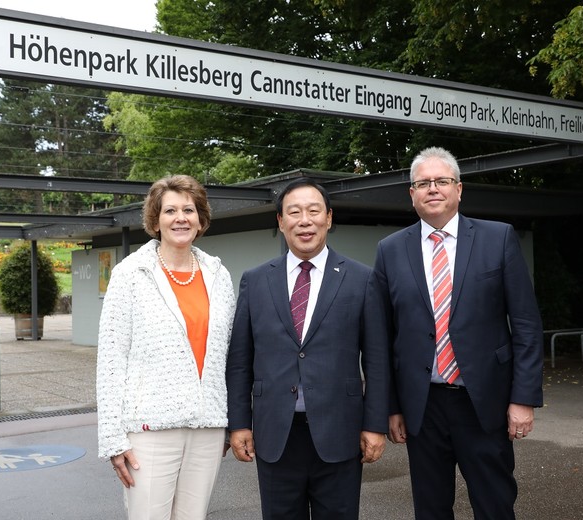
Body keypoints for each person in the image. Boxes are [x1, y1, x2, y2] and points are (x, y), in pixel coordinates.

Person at [369, 147, 544, 519]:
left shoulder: (498, 238)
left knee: (494, 505)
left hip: (484, 402)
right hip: (422, 407)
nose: (433, 188)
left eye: (442, 181)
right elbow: (382, 337)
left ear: (459, 189)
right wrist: (391, 406)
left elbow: (526, 325)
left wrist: (523, 398)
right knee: (431, 509)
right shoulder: (390, 250)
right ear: (412, 194)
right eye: (423, 183)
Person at [226, 177, 389, 520]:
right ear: (280, 221)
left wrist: (375, 425)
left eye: (314, 211)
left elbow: (377, 360)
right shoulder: (255, 280)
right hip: (275, 433)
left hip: (340, 431)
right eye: (294, 212)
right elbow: (240, 360)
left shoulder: (361, 279)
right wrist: (238, 423)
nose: (305, 221)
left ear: (328, 218)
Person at [97, 174, 236, 520]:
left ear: (200, 220)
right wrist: (113, 438)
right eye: (170, 210)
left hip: (207, 429)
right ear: (155, 220)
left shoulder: (218, 275)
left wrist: (231, 422)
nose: (180, 218)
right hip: (149, 430)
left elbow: (230, 356)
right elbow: (111, 359)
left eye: (189, 210)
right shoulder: (130, 274)